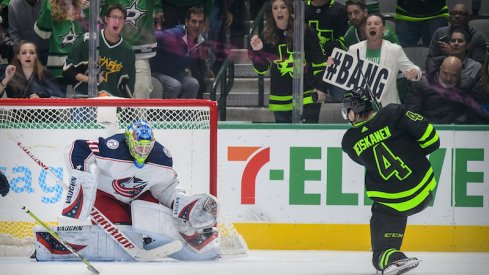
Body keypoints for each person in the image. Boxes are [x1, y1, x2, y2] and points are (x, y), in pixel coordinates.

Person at [33, 120, 220, 261]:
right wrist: (81, 178)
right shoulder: (113, 148)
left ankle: (196, 239)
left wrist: (180, 202)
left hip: (138, 198)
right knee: (123, 231)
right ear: (129, 140)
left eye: (147, 147)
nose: (142, 151)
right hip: (106, 196)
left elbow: (166, 189)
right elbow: (75, 148)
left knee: (162, 218)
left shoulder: (161, 158)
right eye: (139, 145)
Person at [341, 87, 440, 275]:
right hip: (424, 192)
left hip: (392, 204)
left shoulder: (349, 142)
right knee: (399, 197)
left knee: (379, 253)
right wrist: (409, 148)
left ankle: (391, 256)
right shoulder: (394, 113)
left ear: (353, 111)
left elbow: (365, 155)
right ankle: (394, 255)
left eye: (348, 111)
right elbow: (432, 140)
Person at [249, 0, 329, 123]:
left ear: (290, 10)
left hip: (308, 93)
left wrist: (321, 87)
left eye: (283, 7)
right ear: (271, 12)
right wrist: (257, 51)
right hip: (280, 97)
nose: (279, 11)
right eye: (275, 8)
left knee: (308, 136)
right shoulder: (265, 36)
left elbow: (320, 62)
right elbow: (262, 69)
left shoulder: (306, 31)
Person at [348, 13, 421, 107]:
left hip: (388, 108)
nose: (372, 26)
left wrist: (415, 71)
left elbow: (414, 70)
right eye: (369, 24)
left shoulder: (394, 50)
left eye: (376, 23)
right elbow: (343, 74)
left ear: (383, 29)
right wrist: (332, 64)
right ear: (365, 29)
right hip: (361, 109)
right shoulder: (354, 50)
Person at [63, 4, 136, 98]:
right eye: (114, 17)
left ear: (124, 22)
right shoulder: (87, 40)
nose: (117, 22)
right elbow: (67, 70)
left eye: (121, 18)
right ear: (106, 19)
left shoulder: (128, 51)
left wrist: (127, 110)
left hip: (112, 103)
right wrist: (89, 79)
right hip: (85, 99)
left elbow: (128, 86)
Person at [101, 0, 162, 99]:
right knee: (110, 94)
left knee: (142, 89)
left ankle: (140, 115)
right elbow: (99, 17)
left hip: (139, 56)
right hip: (114, 54)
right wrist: (85, 6)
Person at [150, 6, 208, 99]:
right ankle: (165, 113)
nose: (197, 25)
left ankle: (184, 113)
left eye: (200, 22)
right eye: (193, 21)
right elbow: (156, 35)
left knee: (193, 84)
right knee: (174, 85)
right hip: (156, 72)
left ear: (204, 24)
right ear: (186, 22)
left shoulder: (201, 41)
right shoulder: (176, 33)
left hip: (176, 73)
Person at [406, 56, 485, 124]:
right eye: (445, 73)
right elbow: (412, 112)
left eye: (454, 75)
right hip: (426, 127)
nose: (448, 78)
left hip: (457, 130)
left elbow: (472, 113)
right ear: (440, 69)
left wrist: (458, 123)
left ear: (460, 73)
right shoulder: (421, 84)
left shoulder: (468, 85)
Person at [34, 0, 88, 97]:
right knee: (58, 108)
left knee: (79, 108)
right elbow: (42, 33)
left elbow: (93, 32)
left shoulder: (83, 7)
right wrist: (48, 7)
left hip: (79, 70)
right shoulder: (51, 9)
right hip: (58, 72)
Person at [305, 0, 348, 102]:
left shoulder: (340, 10)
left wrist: (319, 49)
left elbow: (343, 41)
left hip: (335, 66)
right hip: (310, 69)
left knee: (340, 102)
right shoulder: (301, 9)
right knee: (312, 105)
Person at [8, 0, 49, 65]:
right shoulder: (13, 4)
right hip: (25, 53)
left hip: (47, 51)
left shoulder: (49, 3)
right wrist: (25, 52)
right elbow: (14, 33)